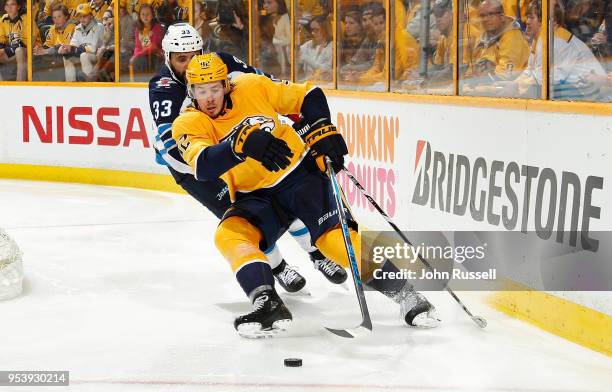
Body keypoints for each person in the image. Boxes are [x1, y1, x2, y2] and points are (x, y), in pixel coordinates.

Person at [172, 53, 440, 337]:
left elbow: (309, 94)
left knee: (335, 243)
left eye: (215, 88)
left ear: (227, 85)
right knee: (229, 235)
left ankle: (408, 296)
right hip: (257, 197)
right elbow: (202, 166)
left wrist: (322, 129)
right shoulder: (187, 122)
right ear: (191, 91)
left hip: (301, 176)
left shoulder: (252, 86)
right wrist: (239, 146)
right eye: (201, 91)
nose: (209, 98)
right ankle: (268, 302)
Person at [148, 23, 347, 294]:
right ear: (167, 58)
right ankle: (278, 268)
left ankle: (317, 254)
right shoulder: (163, 87)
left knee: (287, 197)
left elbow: (265, 87)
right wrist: (226, 155)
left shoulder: (220, 64)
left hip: (238, 149)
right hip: (193, 166)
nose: (190, 64)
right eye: (182, 59)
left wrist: (305, 124)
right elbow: (176, 149)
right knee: (247, 224)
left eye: (195, 55)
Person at [59, 2, 103, 81]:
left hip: (98, 56)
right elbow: (74, 43)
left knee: (84, 55)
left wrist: (75, 49)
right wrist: (67, 48)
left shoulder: (98, 26)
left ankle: (88, 84)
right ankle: (71, 85)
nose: (82, 19)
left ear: (91, 15)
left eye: (84, 16)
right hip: (82, 53)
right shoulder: (78, 28)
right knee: (67, 57)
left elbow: (93, 48)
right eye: (80, 17)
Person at [32, 3, 75, 80]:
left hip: (68, 56)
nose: (56, 20)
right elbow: (47, 45)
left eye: (59, 16)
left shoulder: (71, 27)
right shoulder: (53, 28)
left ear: (66, 16)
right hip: (54, 55)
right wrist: (39, 49)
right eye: (54, 17)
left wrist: (45, 51)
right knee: (35, 57)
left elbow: (64, 48)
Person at [297, 15, 332, 83]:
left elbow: (325, 70)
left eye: (316, 30)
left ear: (325, 29)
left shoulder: (332, 46)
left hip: (325, 85)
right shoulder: (308, 44)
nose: (313, 33)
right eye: (312, 30)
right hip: (307, 83)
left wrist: (305, 57)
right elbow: (295, 60)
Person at [130, 3, 163, 74]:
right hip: (143, 56)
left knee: (141, 60)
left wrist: (137, 55)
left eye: (148, 14)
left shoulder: (157, 27)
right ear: (139, 16)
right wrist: (135, 56)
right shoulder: (138, 29)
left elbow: (153, 46)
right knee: (138, 61)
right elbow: (138, 46)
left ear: (152, 15)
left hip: (155, 55)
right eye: (143, 14)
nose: (145, 17)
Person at [0, 0, 28, 81]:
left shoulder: (26, 19)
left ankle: (19, 86)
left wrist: (6, 50)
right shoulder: (3, 20)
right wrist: (1, 49)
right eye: (7, 5)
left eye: (12, 4)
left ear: (18, 7)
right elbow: (1, 39)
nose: (9, 8)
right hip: (11, 51)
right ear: (5, 7)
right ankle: (2, 87)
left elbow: (26, 43)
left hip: (28, 51)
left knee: (19, 51)